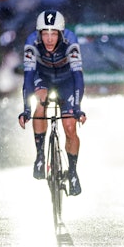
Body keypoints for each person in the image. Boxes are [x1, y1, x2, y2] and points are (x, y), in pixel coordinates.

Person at [18, 10, 86, 196]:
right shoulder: (32, 42)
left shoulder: (71, 40)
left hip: (66, 80)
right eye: (45, 33)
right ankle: (40, 155)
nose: (49, 39)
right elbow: (28, 77)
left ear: (61, 34)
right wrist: (26, 109)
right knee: (40, 102)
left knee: (70, 126)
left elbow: (78, 75)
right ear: (39, 34)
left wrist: (78, 108)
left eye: (53, 33)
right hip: (43, 78)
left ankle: (72, 171)